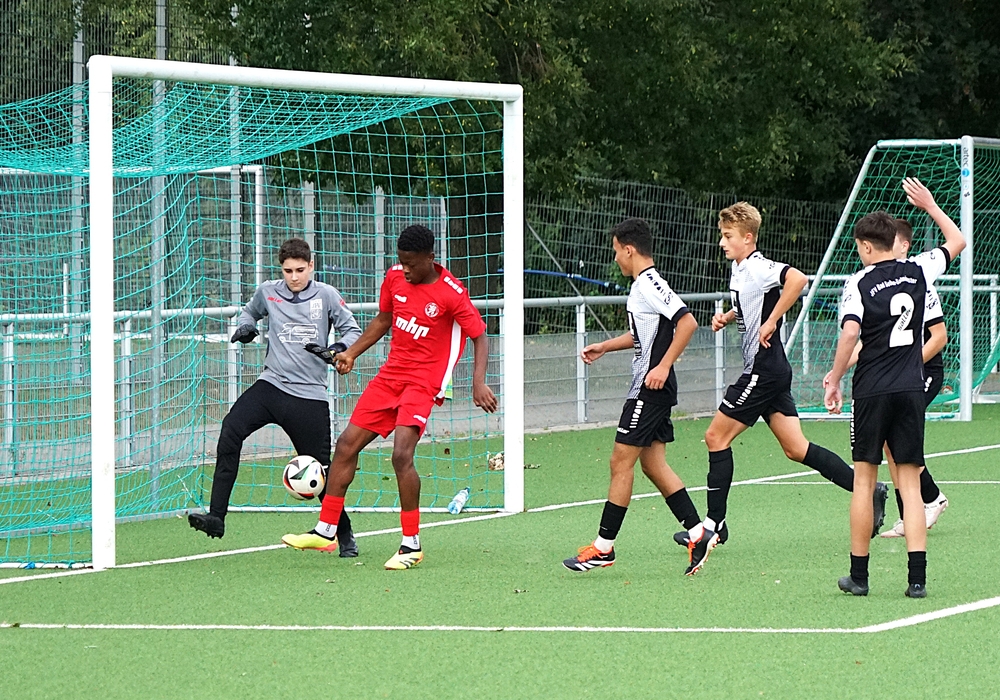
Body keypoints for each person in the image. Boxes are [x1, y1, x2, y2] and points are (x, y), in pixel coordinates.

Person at [683, 202, 888, 576]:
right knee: (797, 448)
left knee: (715, 437)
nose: (722, 242)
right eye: (722, 235)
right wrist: (729, 316)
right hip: (771, 370)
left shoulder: (759, 266)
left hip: (763, 371)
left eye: (728, 236)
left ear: (748, 237)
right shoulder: (740, 268)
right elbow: (753, 303)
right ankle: (868, 489)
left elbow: (798, 280)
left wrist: (773, 321)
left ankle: (714, 525)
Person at [281, 225, 498, 570]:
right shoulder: (395, 277)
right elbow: (384, 320)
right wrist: (351, 353)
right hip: (390, 376)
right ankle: (326, 530)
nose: (405, 269)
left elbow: (480, 336)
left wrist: (478, 382)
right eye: (401, 262)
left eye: (411, 263)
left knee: (401, 455)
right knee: (346, 445)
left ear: (430, 258)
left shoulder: (451, 292)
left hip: (424, 383)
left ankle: (411, 544)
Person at [825, 177, 965, 598]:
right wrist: (930, 206)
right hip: (909, 387)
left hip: (871, 389)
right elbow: (957, 241)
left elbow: (851, 333)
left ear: (867, 247)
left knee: (864, 481)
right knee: (910, 483)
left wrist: (835, 377)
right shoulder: (919, 268)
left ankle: (860, 577)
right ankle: (916, 580)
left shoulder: (859, 281)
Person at [188, 238, 362, 556]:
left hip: (309, 396)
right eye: (288, 271)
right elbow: (249, 313)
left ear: (311, 266)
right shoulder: (268, 291)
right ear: (281, 269)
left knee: (319, 473)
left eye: (300, 270)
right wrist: (245, 328)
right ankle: (216, 517)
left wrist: (336, 349)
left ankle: (344, 533)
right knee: (230, 430)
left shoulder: (326, 295)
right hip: (270, 386)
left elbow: (352, 331)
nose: (294, 277)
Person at [562, 218, 703, 572]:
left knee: (619, 462)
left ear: (629, 249)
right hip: (653, 386)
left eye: (616, 252)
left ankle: (603, 548)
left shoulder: (649, 284)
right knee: (653, 464)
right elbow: (646, 336)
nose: (615, 259)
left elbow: (687, 323)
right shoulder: (644, 285)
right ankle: (698, 533)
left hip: (649, 388)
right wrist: (606, 346)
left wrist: (663, 366)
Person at [831, 219, 949, 539]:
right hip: (896, 375)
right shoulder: (876, 283)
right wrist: (838, 370)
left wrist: (904, 364)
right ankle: (916, 509)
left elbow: (939, 337)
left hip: (921, 372)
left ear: (903, 246)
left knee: (898, 446)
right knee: (889, 444)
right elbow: (870, 342)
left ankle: (931, 499)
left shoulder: (919, 277)